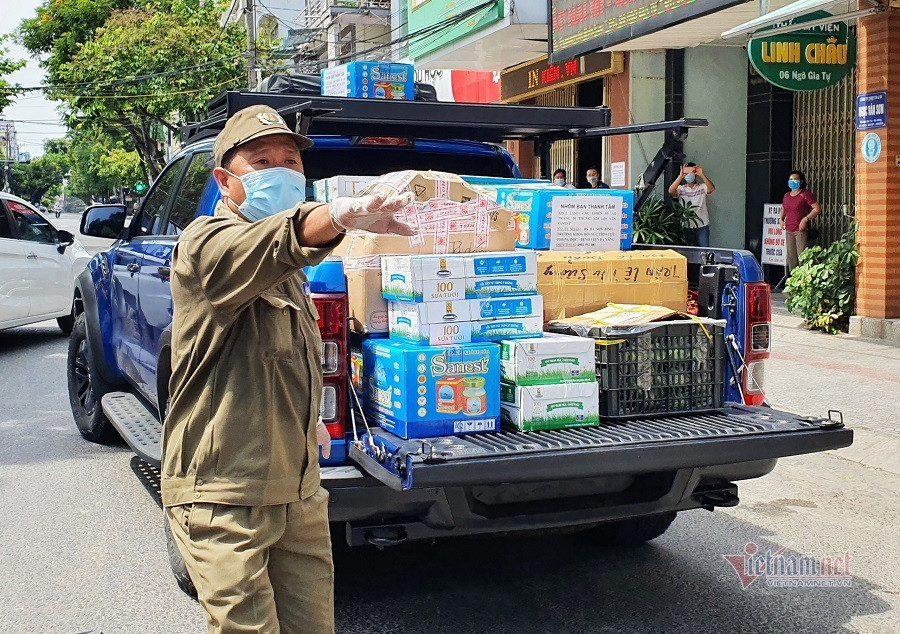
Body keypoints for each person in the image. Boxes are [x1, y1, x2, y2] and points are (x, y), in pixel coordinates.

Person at [161, 105, 415, 634]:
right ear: (225, 181)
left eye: (291, 161)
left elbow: (283, 352)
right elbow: (277, 240)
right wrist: (341, 215)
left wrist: (310, 420)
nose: (282, 170)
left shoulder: (292, 268)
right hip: (225, 495)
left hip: (298, 492)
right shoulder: (205, 244)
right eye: (262, 161)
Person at [779, 169, 820, 275]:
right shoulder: (786, 196)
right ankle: (794, 281)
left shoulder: (805, 194)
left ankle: (804, 281)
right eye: (790, 179)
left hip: (801, 230)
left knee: (802, 257)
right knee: (792, 258)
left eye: (795, 179)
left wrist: (805, 219)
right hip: (789, 230)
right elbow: (784, 209)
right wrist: (781, 220)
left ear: (801, 181)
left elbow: (817, 209)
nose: (793, 181)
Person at [668, 162, 716, 247]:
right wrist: (681, 175)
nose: (689, 174)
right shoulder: (681, 189)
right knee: (687, 252)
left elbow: (711, 189)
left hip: (702, 225)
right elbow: (671, 191)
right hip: (686, 225)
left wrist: (702, 175)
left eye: (691, 171)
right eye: (687, 171)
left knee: (704, 252)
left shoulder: (702, 187)